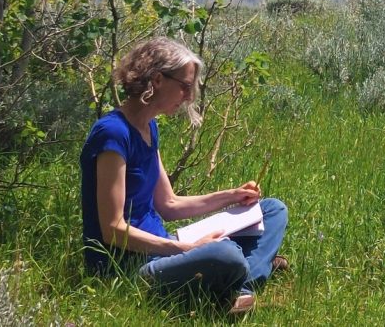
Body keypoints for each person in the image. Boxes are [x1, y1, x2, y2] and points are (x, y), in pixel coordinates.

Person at [79, 37, 288, 314]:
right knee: (226, 253)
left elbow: (170, 205)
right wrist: (185, 249)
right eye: (185, 87)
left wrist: (233, 196)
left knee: (272, 210)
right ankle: (240, 278)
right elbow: (112, 229)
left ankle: (237, 287)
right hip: (130, 266)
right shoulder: (113, 134)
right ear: (157, 80)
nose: (188, 97)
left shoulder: (148, 128)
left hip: (165, 249)